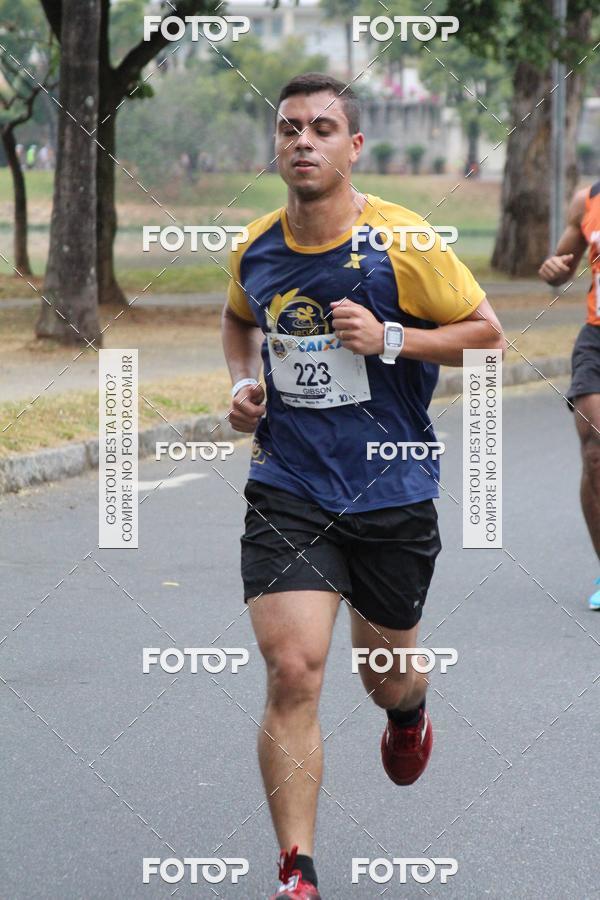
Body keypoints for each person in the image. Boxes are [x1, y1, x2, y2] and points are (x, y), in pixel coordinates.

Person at [221, 72, 505, 899]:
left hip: (390, 490)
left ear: (354, 147)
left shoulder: (403, 242)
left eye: (320, 128)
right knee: (294, 670)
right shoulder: (258, 245)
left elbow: (486, 334)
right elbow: (240, 319)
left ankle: (407, 711)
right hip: (289, 485)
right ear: (276, 146)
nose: (301, 141)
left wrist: (392, 338)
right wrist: (243, 385)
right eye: (288, 129)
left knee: (386, 673)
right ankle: (296, 868)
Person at [539, 185, 600, 610]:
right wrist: (554, 269)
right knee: (595, 451)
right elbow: (561, 269)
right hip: (596, 338)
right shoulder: (586, 200)